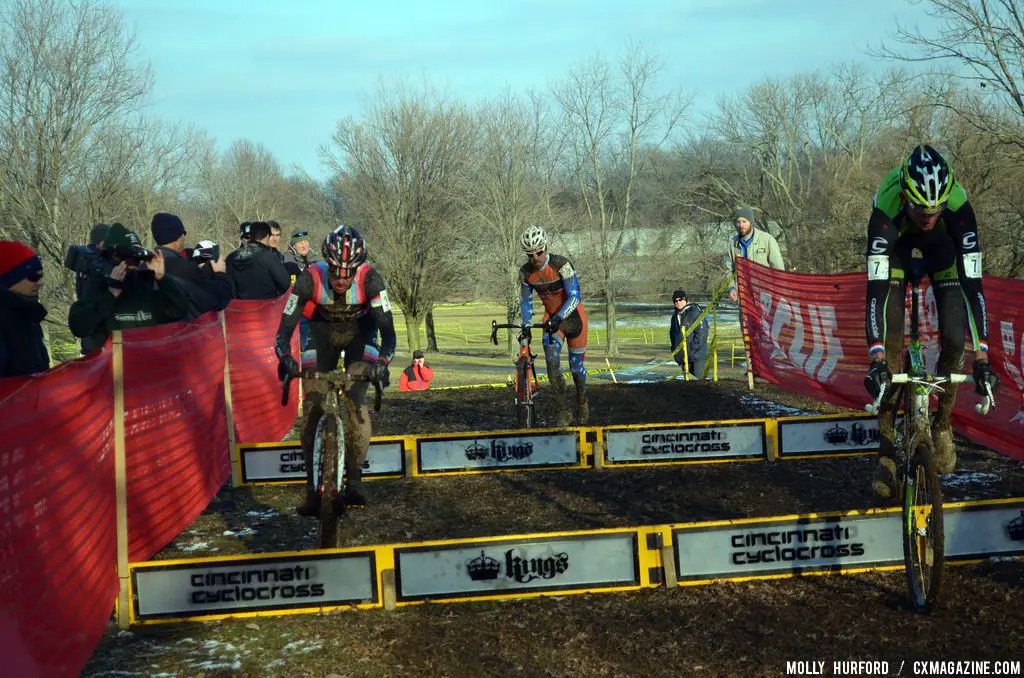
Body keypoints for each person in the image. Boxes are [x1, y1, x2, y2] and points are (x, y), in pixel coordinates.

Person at [862, 144, 1000, 499]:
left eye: (935, 210)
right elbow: (875, 294)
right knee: (892, 346)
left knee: (955, 338)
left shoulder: (960, 209)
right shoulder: (886, 209)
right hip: (896, 255)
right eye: (921, 209)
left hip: (945, 255)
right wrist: (876, 357)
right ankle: (887, 449)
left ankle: (943, 425)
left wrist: (983, 357)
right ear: (906, 196)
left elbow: (976, 290)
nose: (928, 217)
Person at [274, 225, 396, 513]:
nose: (341, 278)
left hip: (361, 332)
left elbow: (389, 334)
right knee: (313, 407)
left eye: (349, 271)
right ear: (326, 263)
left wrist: (381, 364)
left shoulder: (372, 280)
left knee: (356, 403)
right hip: (319, 331)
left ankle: (354, 480)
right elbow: (283, 331)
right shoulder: (308, 278)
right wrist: (285, 358)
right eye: (335, 270)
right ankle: (311, 489)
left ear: (359, 267)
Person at [68, 224, 191, 347]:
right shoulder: (98, 286)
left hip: (145, 359)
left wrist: (162, 278)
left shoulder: (144, 283)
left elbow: (179, 310)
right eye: (129, 258)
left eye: (137, 259)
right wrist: (111, 294)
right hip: (114, 362)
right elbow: (79, 327)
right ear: (114, 256)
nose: (134, 265)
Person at [518, 225, 589, 426]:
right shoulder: (525, 273)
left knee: (576, 368)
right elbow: (526, 302)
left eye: (539, 252)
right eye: (530, 254)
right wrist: (525, 326)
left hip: (573, 316)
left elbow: (575, 296)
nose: (535, 258)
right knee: (551, 363)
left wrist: (559, 317)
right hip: (550, 319)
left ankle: (582, 403)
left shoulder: (562, 264)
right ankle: (562, 411)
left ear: (546, 247)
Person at [151, 212, 231, 319]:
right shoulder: (184, 268)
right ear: (178, 237)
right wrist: (220, 273)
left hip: (151, 333)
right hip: (185, 331)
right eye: (184, 234)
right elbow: (218, 300)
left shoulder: (144, 266)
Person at [0, 241, 49, 377]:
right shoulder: (5, 319)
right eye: (33, 277)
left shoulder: (27, 314)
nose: (40, 283)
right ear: (9, 280)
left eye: (41, 276)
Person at [726, 206, 785, 302]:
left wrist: (779, 293)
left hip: (765, 297)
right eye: (738, 222)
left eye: (744, 221)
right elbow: (729, 271)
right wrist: (731, 288)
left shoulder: (767, 240)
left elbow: (778, 269)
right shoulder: (732, 244)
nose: (741, 225)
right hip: (744, 297)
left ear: (751, 222)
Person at [225, 220, 291, 300]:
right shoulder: (267, 257)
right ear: (267, 236)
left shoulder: (231, 257)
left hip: (239, 308)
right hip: (265, 307)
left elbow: (227, 286)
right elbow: (285, 283)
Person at [669, 289, 709, 380]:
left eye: (680, 299)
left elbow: (702, 333)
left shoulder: (695, 312)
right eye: (675, 301)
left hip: (697, 355)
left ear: (686, 300)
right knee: (688, 384)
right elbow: (672, 335)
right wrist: (675, 352)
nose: (678, 302)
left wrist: (691, 350)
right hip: (683, 356)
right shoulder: (675, 317)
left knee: (696, 382)